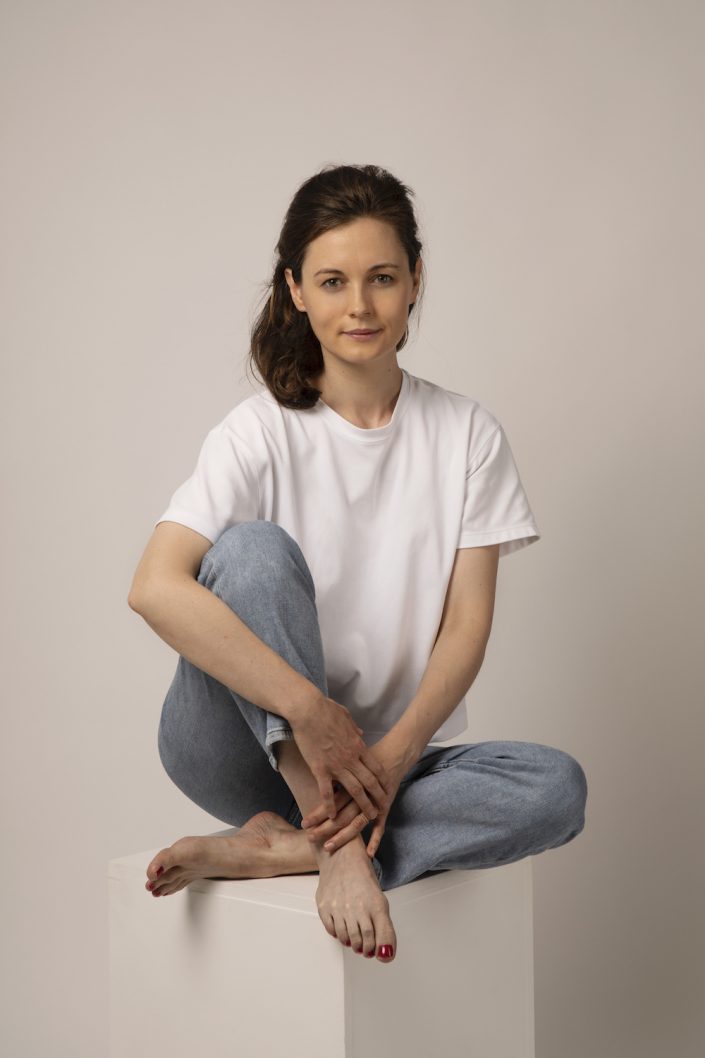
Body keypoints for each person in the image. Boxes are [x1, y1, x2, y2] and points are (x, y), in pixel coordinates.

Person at [128, 162, 588, 966]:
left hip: (381, 766)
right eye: (333, 281)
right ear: (296, 291)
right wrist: (310, 713)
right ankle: (339, 854)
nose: (360, 306)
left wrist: (395, 753)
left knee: (556, 788)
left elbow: (465, 627)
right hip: (237, 744)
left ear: (415, 280)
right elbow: (153, 587)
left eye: (381, 278)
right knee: (251, 552)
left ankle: (289, 848)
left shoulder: (467, 434)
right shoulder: (258, 432)